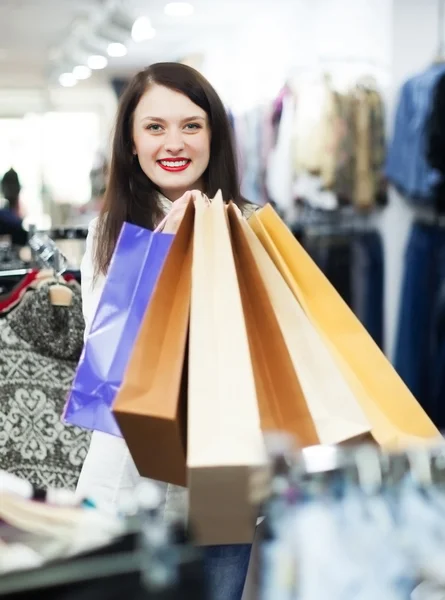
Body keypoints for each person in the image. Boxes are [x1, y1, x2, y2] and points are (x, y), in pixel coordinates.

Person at [76, 62, 258, 600]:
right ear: (131, 141)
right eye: (154, 127)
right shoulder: (110, 232)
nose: (173, 142)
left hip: (224, 479)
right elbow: (109, 364)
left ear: (214, 135)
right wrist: (161, 247)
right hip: (131, 474)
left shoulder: (250, 226)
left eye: (191, 125)